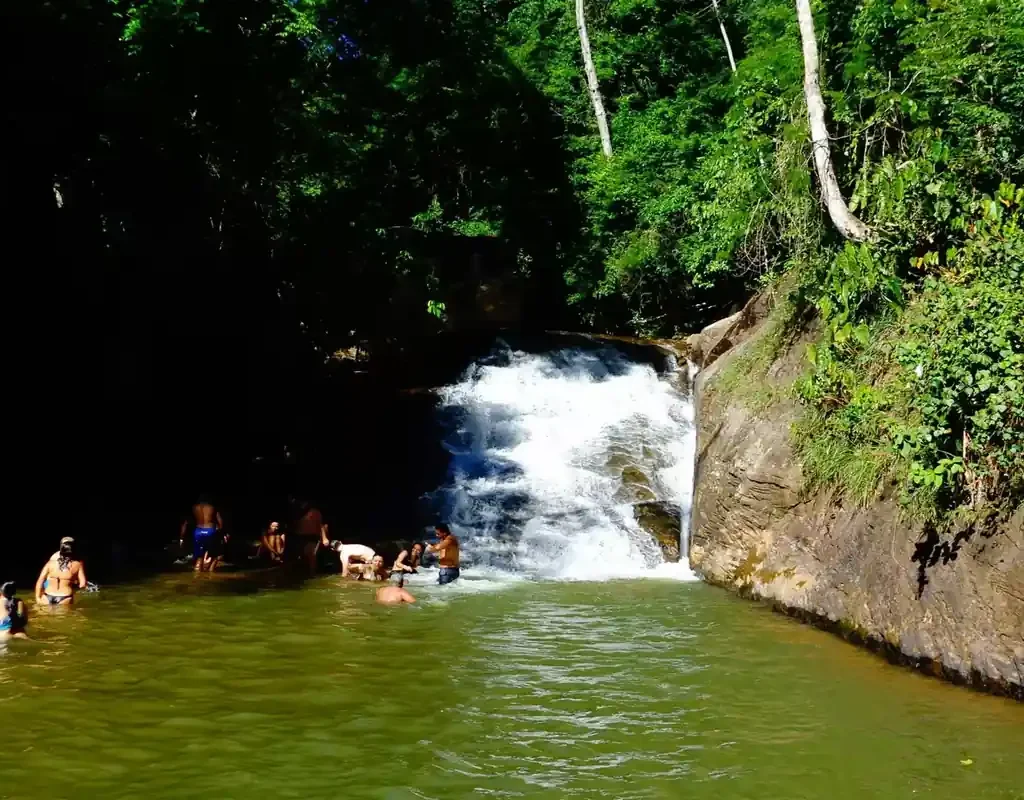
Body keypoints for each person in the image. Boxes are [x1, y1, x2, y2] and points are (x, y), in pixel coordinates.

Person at [35, 537, 87, 605]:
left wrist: (38, 598)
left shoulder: (51, 562)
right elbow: (82, 584)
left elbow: (40, 581)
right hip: (65, 597)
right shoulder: (78, 564)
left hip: (47, 595)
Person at [180, 494, 225, 572]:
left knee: (199, 557)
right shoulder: (212, 507)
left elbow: (185, 523)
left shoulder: (194, 508)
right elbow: (220, 523)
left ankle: (196, 577)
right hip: (210, 531)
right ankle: (210, 576)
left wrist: (181, 538)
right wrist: (221, 534)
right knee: (215, 555)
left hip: (198, 532)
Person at [289, 498, 330, 573]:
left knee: (312, 555)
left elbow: (321, 525)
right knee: (303, 556)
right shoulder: (296, 513)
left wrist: (324, 538)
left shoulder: (315, 512)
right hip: (300, 536)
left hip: (312, 536)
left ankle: (312, 573)